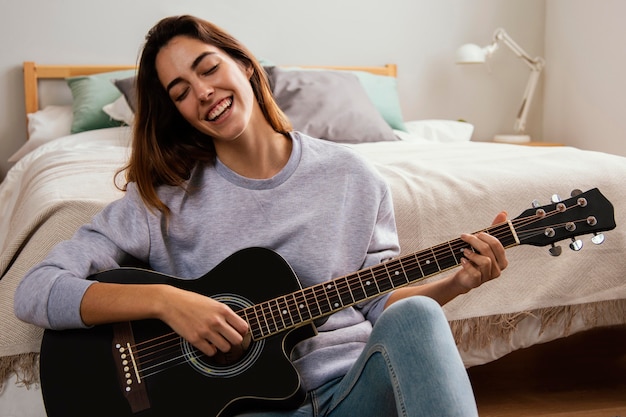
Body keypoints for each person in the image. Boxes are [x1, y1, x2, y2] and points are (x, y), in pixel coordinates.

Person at [15, 15, 508, 417]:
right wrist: (167, 303)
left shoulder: (352, 177)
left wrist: (456, 283)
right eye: (180, 91)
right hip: (238, 408)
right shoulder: (162, 202)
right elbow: (36, 289)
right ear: (176, 112)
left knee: (419, 314)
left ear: (245, 66)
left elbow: (381, 305)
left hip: (353, 388)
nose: (202, 92)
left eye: (208, 68)